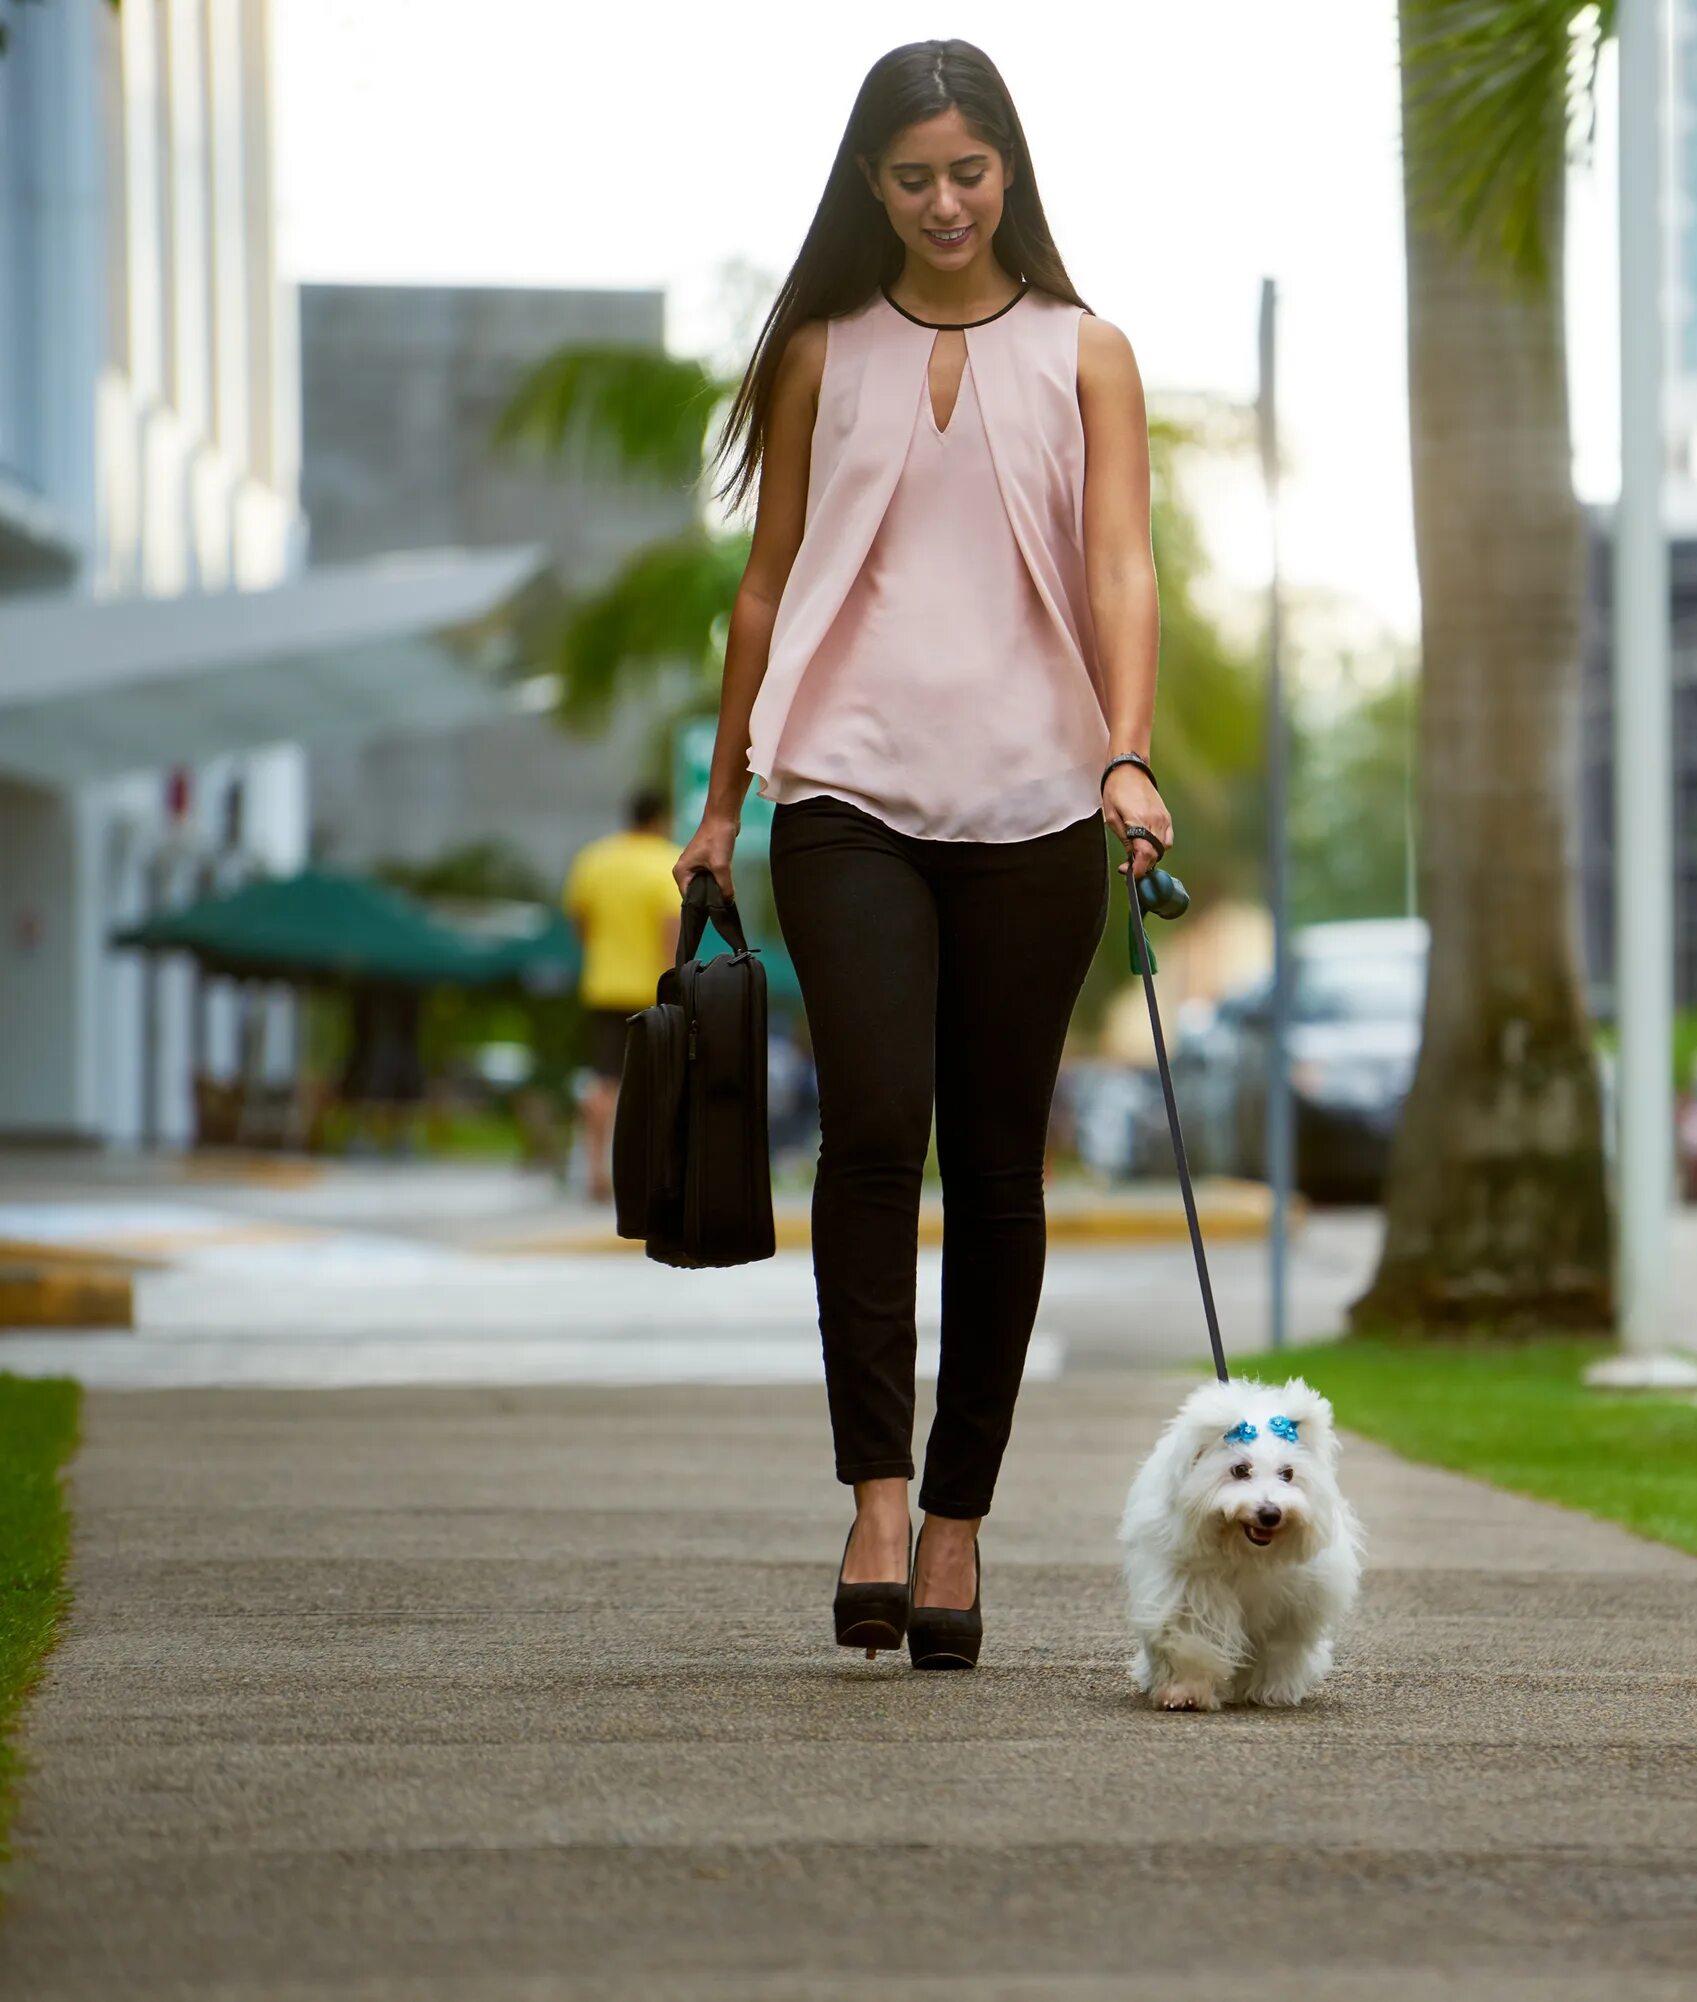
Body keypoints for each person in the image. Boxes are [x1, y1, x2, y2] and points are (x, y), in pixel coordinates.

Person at [673, 39, 1172, 1672]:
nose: (946, 202)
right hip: (848, 796)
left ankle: (961, 1518)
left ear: (1008, 171)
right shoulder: (826, 350)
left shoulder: (1087, 353)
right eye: (913, 178)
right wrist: (722, 795)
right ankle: (877, 1498)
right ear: (870, 187)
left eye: (969, 172)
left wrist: (1125, 754)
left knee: (1003, 1165)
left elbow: (1121, 568)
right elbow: (766, 586)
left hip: (1039, 801)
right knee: (876, 1132)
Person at [561, 786, 686, 1202]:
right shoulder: (666, 860)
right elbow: (673, 929)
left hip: (603, 987)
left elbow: (580, 922)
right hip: (652, 990)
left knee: (603, 1081)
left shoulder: (594, 859)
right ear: (661, 818)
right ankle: (653, 1170)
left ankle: (597, 1171)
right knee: (657, 1081)